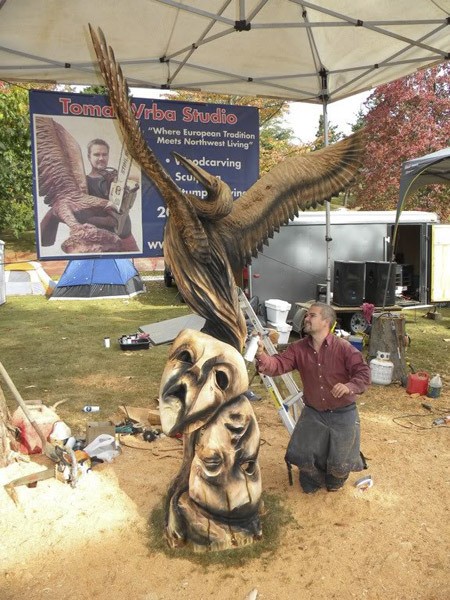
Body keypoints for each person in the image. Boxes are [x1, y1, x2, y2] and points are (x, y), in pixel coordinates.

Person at [255, 302, 371, 494]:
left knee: (338, 470)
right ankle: (313, 478)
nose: (306, 318)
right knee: (305, 465)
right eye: (307, 315)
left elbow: (364, 374)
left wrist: (349, 386)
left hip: (343, 412)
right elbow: (277, 364)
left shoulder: (344, 348)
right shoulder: (298, 348)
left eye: (312, 315)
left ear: (326, 321)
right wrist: (261, 354)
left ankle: (335, 477)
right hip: (314, 412)